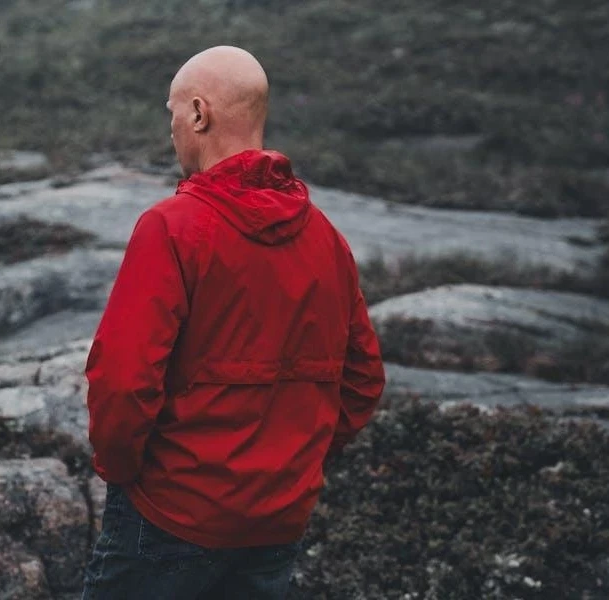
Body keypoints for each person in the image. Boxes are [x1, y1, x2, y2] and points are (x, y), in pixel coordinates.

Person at [82, 46, 386, 599]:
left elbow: (123, 381)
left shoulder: (171, 228)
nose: (171, 130)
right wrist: (291, 462)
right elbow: (363, 380)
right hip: (276, 522)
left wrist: (125, 473)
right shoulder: (326, 238)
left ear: (199, 114)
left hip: (171, 515)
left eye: (172, 113)